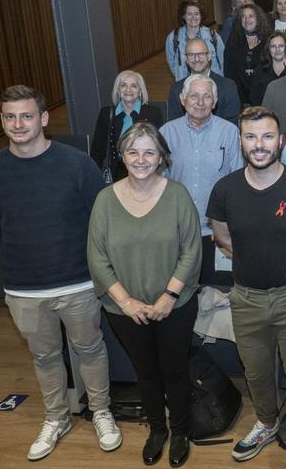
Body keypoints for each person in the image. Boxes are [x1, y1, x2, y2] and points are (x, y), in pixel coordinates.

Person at [0, 85, 120, 462]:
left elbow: (100, 217)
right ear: (2, 120)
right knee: (44, 357)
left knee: (90, 350)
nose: (18, 124)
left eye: (26, 115)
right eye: (10, 116)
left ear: (43, 118)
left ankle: (101, 412)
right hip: (23, 288)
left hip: (77, 281)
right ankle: (56, 418)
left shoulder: (76, 164)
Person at [207, 106, 286, 466]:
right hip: (245, 298)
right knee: (255, 373)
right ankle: (267, 423)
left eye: (267, 136)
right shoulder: (225, 189)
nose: (259, 144)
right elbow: (222, 235)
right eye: (251, 137)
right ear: (240, 141)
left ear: (281, 140)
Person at [88, 122, 201, 467]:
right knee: (146, 372)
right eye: (133, 151)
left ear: (162, 157)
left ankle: (179, 430)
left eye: (149, 151)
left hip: (175, 305)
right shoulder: (105, 199)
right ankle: (157, 429)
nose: (141, 158)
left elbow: (191, 250)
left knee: (175, 370)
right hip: (125, 309)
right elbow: (97, 255)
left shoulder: (178, 195)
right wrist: (125, 301)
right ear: (122, 156)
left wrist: (169, 296)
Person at [160, 74, 242, 286]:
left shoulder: (230, 132)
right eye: (194, 96)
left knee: (215, 293)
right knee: (181, 290)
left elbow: (237, 181)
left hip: (217, 232)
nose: (200, 102)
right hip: (177, 231)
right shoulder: (166, 133)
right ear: (182, 99)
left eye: (207, 97)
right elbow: (158, 183)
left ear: (215, 102)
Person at [91, 70, 164, 182]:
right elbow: (97, 150)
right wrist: (94, 177)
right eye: (123, 85)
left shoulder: (153, 113)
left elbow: (160, 149)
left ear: (140, 91)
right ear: (118, 91)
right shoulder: (106, 114)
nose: (128, 90)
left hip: (145, 170)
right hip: (116, 174)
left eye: (133, 86)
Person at [166, 38, 242, 124]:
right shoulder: (176, 89)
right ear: (186, 59)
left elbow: (232, 124)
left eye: (201, 54)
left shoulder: (228, 86)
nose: (197, 59)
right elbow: (173, 125)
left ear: (209, 56)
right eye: (191, 55)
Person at [224, 3, 272, 106]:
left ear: (258, 19)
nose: (247, 20)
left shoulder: (268, 39)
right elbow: (228, 69)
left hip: (263, 95)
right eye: (243, 17)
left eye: (251, 16)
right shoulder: (233, 39)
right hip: (239, 97)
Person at [165, 0, 224, 81]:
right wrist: (180, 75)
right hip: (186, 84)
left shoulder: (213, 35)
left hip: (211, 82)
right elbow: (172, 63)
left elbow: (222, 58)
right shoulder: (173, 38)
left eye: (196, 14)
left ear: (201, 16)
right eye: (189, 14)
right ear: (183, 16)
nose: (193, 17)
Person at [249, 31, 286, 105]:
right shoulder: (259, 71)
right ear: (268, 49)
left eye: (281, 46)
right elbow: (255, 99)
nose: (277, 49)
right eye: (273, 46)